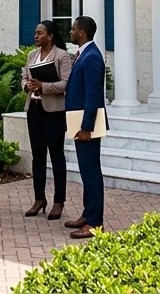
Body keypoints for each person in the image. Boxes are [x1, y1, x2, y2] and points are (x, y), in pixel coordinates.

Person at [21, 20, 72, 220]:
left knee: (57, 156)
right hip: (34, 109)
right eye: (35, 33)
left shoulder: (62, 56)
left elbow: (65, 84)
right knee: (37, 155)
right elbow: (24, 77)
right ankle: (39, 199)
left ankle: (59, 201)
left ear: (50, 36)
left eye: (40, 33)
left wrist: (43, 86)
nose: (36, 36)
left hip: (54, 112)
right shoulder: (31, 55)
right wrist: (27, 86)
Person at [64, 15, 106, 239]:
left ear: (82, 33)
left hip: (86, 125)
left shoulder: (91, 57)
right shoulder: (83, 54)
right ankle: (87, 214)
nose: (70, 32)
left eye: (73, 29)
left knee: (91, 174)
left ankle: (94, 222)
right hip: (78, 121)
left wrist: (86, 126)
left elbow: (93, 94)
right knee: (86, 172)